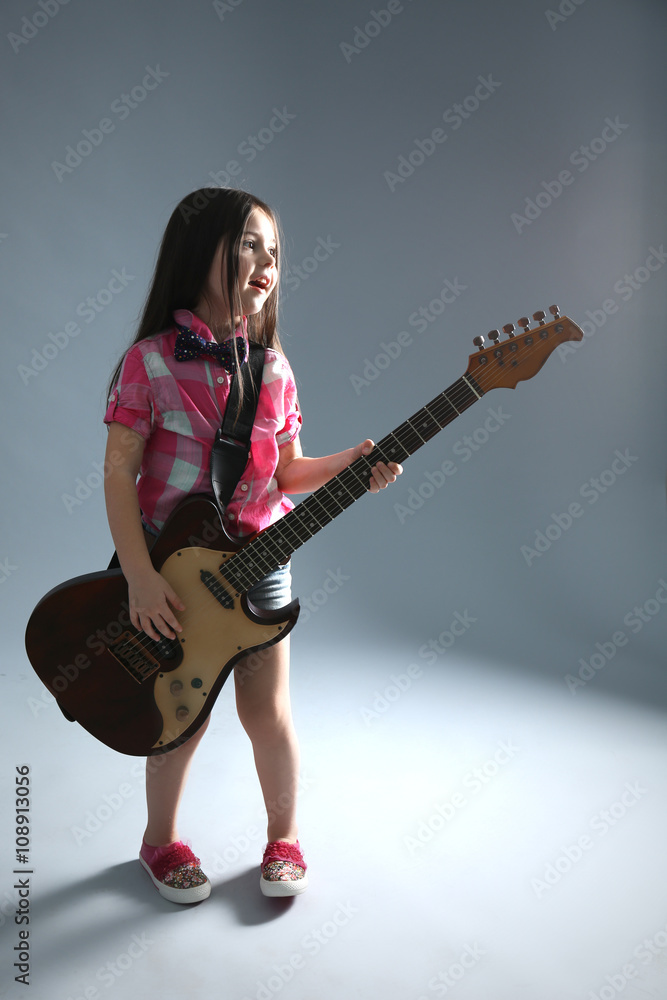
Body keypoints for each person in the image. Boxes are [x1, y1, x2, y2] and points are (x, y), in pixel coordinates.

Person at [103, 187, 402, 904]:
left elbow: (285, 472)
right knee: (179, 715)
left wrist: (350, 467)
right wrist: (139, 577)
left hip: (262, 565)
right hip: (171, 573)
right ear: (198, 251)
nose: (266, 261)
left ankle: (284, 838)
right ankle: (160, 841)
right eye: (248, 243)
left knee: (266, 713)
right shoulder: (148, 363)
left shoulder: (273, 369)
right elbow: (118, 474)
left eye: (274, 250)